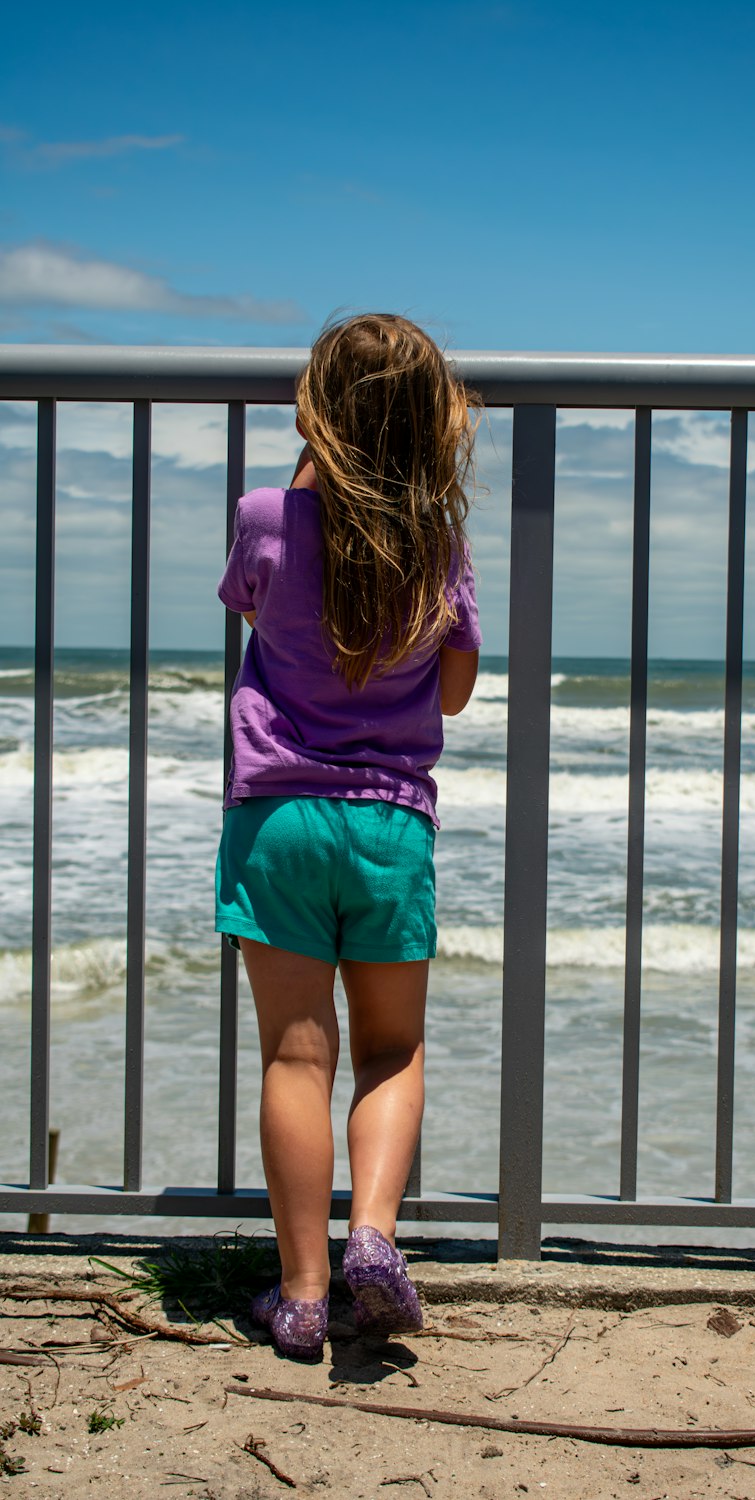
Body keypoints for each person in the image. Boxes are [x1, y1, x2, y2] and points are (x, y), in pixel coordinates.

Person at [215, 314, 481, 1360]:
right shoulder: (437, 544)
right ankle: (373, 1233)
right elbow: (453, 694)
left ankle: (304, 1295)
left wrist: (309, 465)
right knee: (390, 1049)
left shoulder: (264, 517)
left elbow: (257, 611)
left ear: (312, 414)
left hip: (277, 816)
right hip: (390, 826)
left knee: (295, 1053)